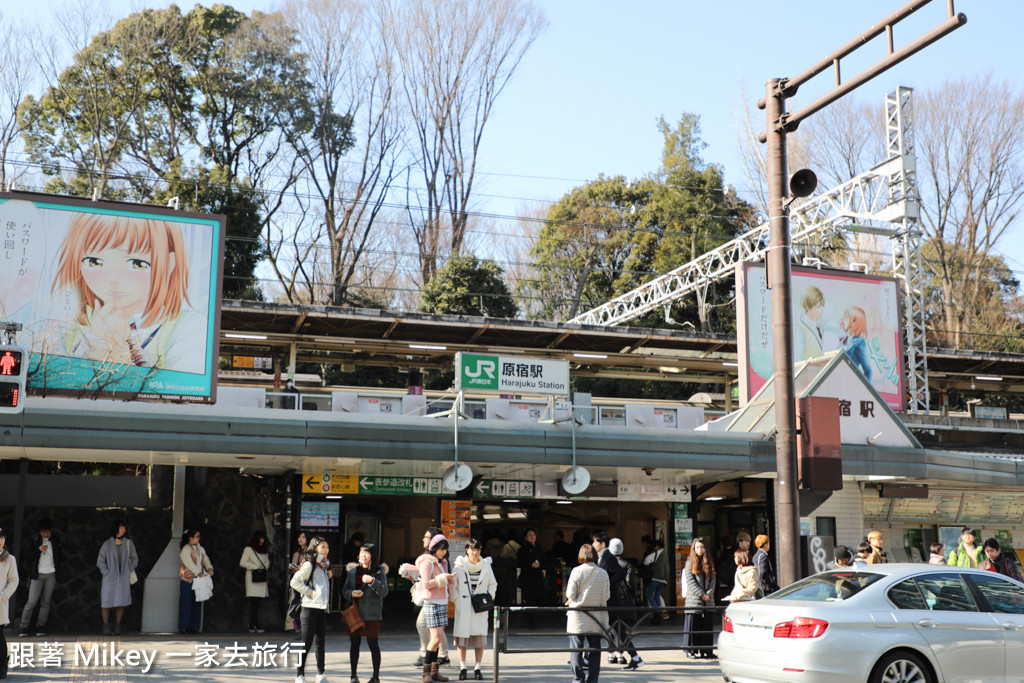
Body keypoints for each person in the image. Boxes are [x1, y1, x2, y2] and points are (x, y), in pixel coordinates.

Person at [50, 213, 205, 373]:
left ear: (169, 264)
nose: (113, 278)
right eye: (94, 261)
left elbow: (177, 390)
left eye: (137, 264)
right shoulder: (66, 328)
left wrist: (122, 351)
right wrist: (94, 341)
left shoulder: (188, 327)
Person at [401, 527, 451, 668]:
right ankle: (434, 658)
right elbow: (428, 581)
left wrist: (446, 582)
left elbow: (434, 580)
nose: (423, 539)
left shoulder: (440, 559)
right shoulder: (427, 559)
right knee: (434, 631)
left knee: (432, 630)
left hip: (438, 599)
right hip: (432, 599)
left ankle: (431, 657)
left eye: (426, 537)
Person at [451, 539, 497, 681]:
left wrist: (489, 597)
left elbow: (493, 584)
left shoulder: (486, 566)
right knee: (462, 639)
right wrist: (457, 600)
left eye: (477, 549)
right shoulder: (459, 566)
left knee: (479, 639)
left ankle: (478, 667)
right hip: (464, 606)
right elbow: (452, 586)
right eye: (471, 549)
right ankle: (463, 667)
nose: (474, 552)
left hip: (480, 607)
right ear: (466, 550)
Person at [343, 542, 389, 683]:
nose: (363, 555)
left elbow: (384, 592)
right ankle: (353, 676)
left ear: (373, 556)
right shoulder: (352, 572)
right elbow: (345, 591)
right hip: (355, 612)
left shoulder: (379, 571)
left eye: (367, 553)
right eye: (361, 552)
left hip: (372, 613)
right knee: (354, 644)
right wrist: (352, 594)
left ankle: (375, 677)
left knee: (373, 644)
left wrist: (372, 581)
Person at [290, 535, 333, 683]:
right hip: (309, 608)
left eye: (327, 547)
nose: (326, 550)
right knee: (306, 643)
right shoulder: (310, 564)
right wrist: (310, 592)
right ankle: (299, 675)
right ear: (315, 548)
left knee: (320, 643)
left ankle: (321, 674)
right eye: (322, 547)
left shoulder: (324, 564)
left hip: (321, 608)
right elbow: (294, 581)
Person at [565, 544, 609, 683]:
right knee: (595, 649)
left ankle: (578, 678)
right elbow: (607, 595)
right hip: (597, 616)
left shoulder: (576, 571)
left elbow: (570, 594)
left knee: (576, 648)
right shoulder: (603, 573)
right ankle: (593, 679)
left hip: (578, 616)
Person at [416, 534, 456, 683]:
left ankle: (434, 672)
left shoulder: (441, 562)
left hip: (442, 601)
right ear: (433, 548)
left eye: (445, 549)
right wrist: (444, 578)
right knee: (435, 639)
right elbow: (426, 584)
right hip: (432, 602)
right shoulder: (427, 562)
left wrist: (449, 579)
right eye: (441, 549)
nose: (443, 552)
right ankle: (426, 673)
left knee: (437, 639)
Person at [18, 517, 62, 637]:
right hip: (37, 574)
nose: (45, 534)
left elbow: (59, 557)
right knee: (32, 601)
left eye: (47, 531)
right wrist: (38, 550)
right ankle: (23, 625)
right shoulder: (35, 539)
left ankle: (40, 625)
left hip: (51, 573)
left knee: (46, 602)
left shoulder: (55, 540)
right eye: (43, 531)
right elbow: (29, 557)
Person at [96, 519, 138, 635]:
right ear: (116, 528)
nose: (123, 530)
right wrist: (106, 572)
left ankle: (118, 625)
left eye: (124, 528)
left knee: (121, 602)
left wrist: (129, 569)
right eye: (121, 527)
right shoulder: (107, 544)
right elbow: (100, 561)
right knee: (106, 602)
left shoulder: (128, 543)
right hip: (110, 578)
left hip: (123, 577)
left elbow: (135, 559)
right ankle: (106, 625)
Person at [609, 538, 644, 670]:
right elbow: (631, 584)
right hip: (624, 601)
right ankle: (621, 654)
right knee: (620, 628)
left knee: (612, 628)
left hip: (611, 601)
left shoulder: (608, 564)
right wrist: (633, 597)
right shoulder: (627, 564)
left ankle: (614, 653)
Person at [592, 532, 625, 665]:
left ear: (602, 544)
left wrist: (608, 584)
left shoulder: (608, 557)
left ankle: (631, 655)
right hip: (607, 599)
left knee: (616, 628)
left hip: (612, 600)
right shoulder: (600, 557)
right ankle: (614, 653)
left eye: (595, 542)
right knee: (609, 628)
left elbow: (620, 572)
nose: (593, 544)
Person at [682, 537, 717, 660]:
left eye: (702, 547)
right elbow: (690, 582)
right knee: (692, 625)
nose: (700, 549)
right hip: (694, 599)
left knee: (707, 625)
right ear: (694, 549)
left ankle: (706, 650)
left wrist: (708, 593)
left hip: (707, 600)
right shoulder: (689, 562)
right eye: (697, 547)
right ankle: (690, 650)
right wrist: (701, 594)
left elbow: (713, 579)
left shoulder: (709, 563)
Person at [178, 528, 214, 633]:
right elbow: (189, 563)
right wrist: (199, 572)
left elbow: (206, 560)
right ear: (190, 538)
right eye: (197, 536)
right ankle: (184, 626)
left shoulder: (200, 548)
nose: (198, 538)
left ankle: (194, 626)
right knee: (186, 602)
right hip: (188, 579)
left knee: (197, 602)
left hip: (199, 579)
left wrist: (209, 568)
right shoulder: (186, 549)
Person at [239, 531, 269, 633]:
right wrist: (255, 567)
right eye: (260, 538)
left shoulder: (264, 549)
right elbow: (243, 562)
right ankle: (254, 624)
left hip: (261, 577)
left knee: (257, 603)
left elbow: (267, 561)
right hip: (253, 577)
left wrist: (264, 567)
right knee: (254, 602)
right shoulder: (249, 549)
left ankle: (252, 624)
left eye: (263, 538)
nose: (262, 540)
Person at [0, 528, 19, 680]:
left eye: (1, 537)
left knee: (0, 637)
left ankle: (2, 666)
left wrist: (3, 596)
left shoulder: (9, 559)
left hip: (0, 602)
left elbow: (14, 580)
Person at [517, 529, 546, 628]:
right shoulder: (523, 549)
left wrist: (544, 569)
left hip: (538, 577)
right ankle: (530, 620)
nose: (532, 536)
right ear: (525, 537)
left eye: (533, 534)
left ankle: (532, 617)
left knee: (539, 599)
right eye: (529, 535)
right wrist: (530, 565)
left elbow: (544, 560)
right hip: (528, 578)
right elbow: (519, 563)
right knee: (530, 600)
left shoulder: (539, 548)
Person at [839, 306, 872, 380]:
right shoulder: (844, 338)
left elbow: (868, 370)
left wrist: (864, 389)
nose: (844, 319)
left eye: (848, 317)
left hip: (849, 382)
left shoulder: (859, 341)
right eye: (845, 316)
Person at [642, 539, 671, 620]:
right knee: (657, 595)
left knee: (649, 594)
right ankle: (660, 613)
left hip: (656, 577)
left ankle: (657, 611)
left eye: (655, 547)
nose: (654, 548)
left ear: (657, 546)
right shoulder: (665, 554)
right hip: (664, 579)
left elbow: (646, 561)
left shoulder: (657, 553)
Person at [287, 532, 309, 632]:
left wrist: (299, 568)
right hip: (297, 580)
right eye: (299, 537)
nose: (300, 539)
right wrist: (292, 567)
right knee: (296, 602)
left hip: (306, 581)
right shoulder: (297, 552)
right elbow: (292, 566)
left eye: (303, 537)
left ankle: (303, 626)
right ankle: (297, 626)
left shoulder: (309, 552)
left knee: (304, 603)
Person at [799, 286, 826, 360]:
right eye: (818, 307)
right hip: (807, 369)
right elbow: (799, 356)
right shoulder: (800, 328)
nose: (822, 310)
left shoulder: (821, 322)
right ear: (808, 307)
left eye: (822, 306)